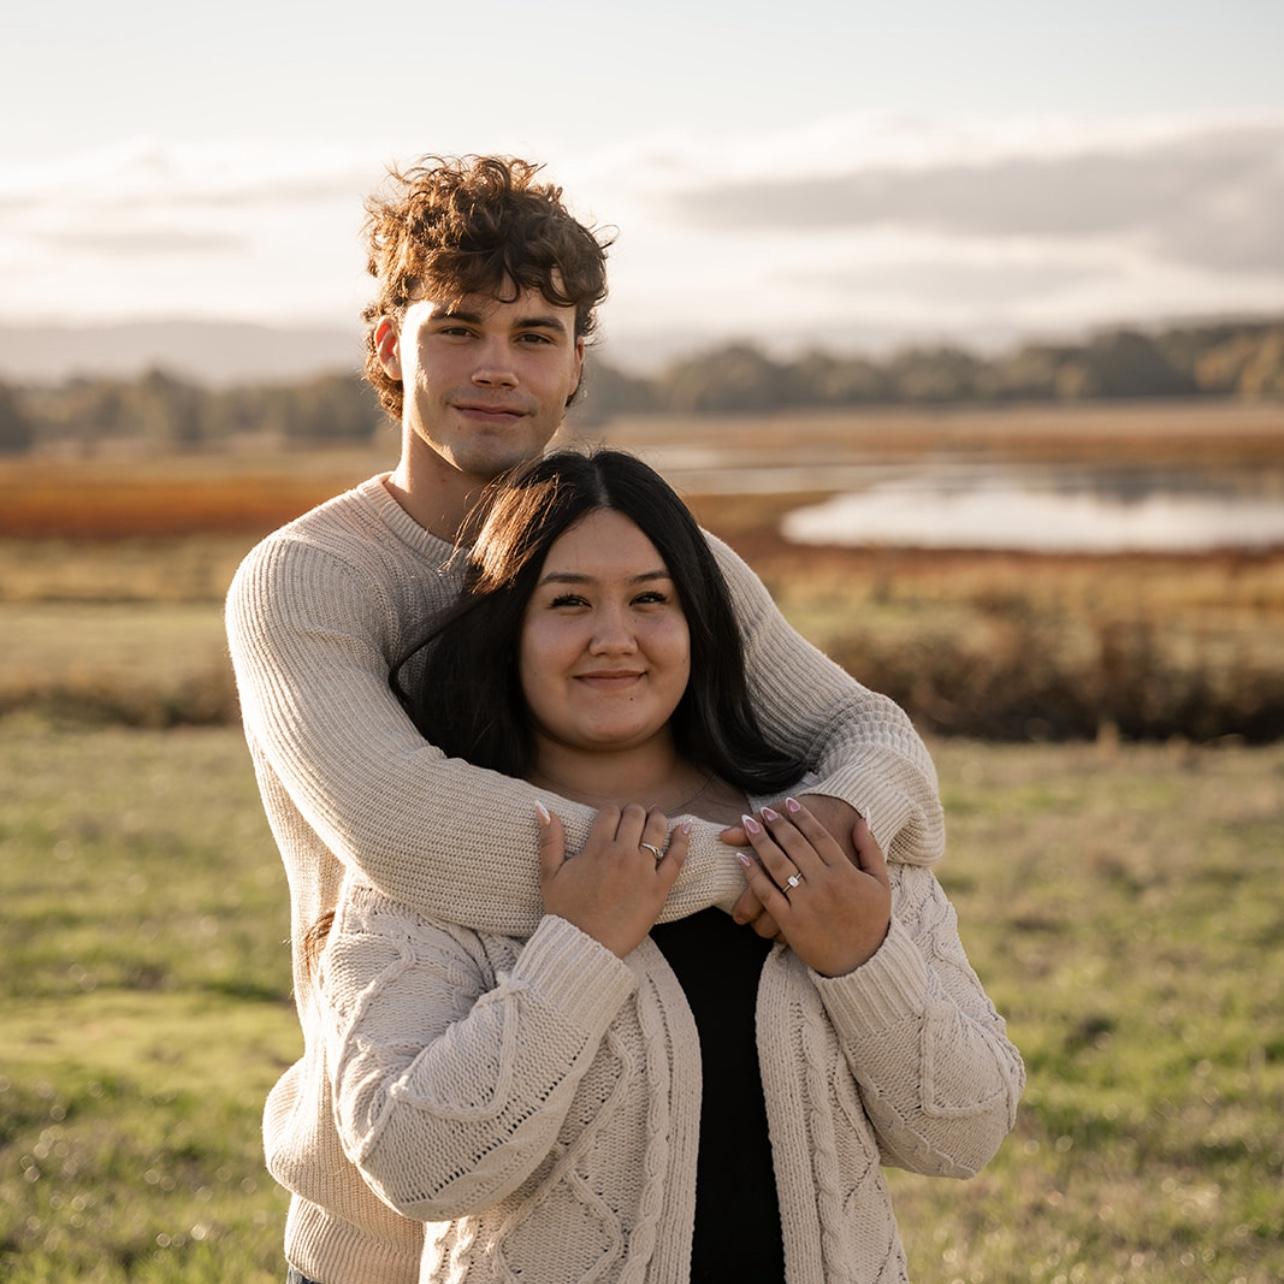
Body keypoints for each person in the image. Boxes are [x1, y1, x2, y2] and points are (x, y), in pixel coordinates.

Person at [225, 155, 950, 1284]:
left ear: (575, 367)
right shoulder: (309, 578)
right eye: (457, 328)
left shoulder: (653, 555)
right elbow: (411, 829)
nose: (496, 366)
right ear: (389, 348)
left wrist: (829, 841)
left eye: (535, 334)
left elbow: (879, 744)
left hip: (655, 1169)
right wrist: (755, 871)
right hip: (388, 1174)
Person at [308, 448, 1023, 1283]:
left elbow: (965, 1135)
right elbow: (413, 1169)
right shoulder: (436, 862)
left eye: (651, 599)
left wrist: (863, 958)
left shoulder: (828, 839)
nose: (615, 639)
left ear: (699, 626)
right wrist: (576, 950)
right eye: (568, 602)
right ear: (505, 632)